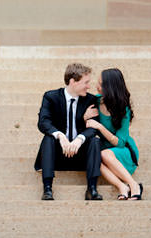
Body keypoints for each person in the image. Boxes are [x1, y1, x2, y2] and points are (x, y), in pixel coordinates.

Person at [34, 63, 103, 201]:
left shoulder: (91, 100)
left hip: (81, 156)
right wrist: (60, 136)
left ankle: (92, 189)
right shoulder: (51, 97)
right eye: (86, 82)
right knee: (48, 138)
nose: (89, 86)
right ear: (73, 81)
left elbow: (94, 127)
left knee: (95, 141)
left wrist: (80, 138)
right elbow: (43, 122)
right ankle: (47, 188)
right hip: (57, 156)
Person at [84, 68, 142, 200]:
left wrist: (100, 127)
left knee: (104, 154)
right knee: (95, 159)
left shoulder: (123, 109)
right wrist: (84, 118)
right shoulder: (95, 101)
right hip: (105, 153)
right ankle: (122, 187)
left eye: (101, 84)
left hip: (123, 152)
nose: (97, 87)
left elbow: (120, 142)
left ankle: (134, 185)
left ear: (110, 87)